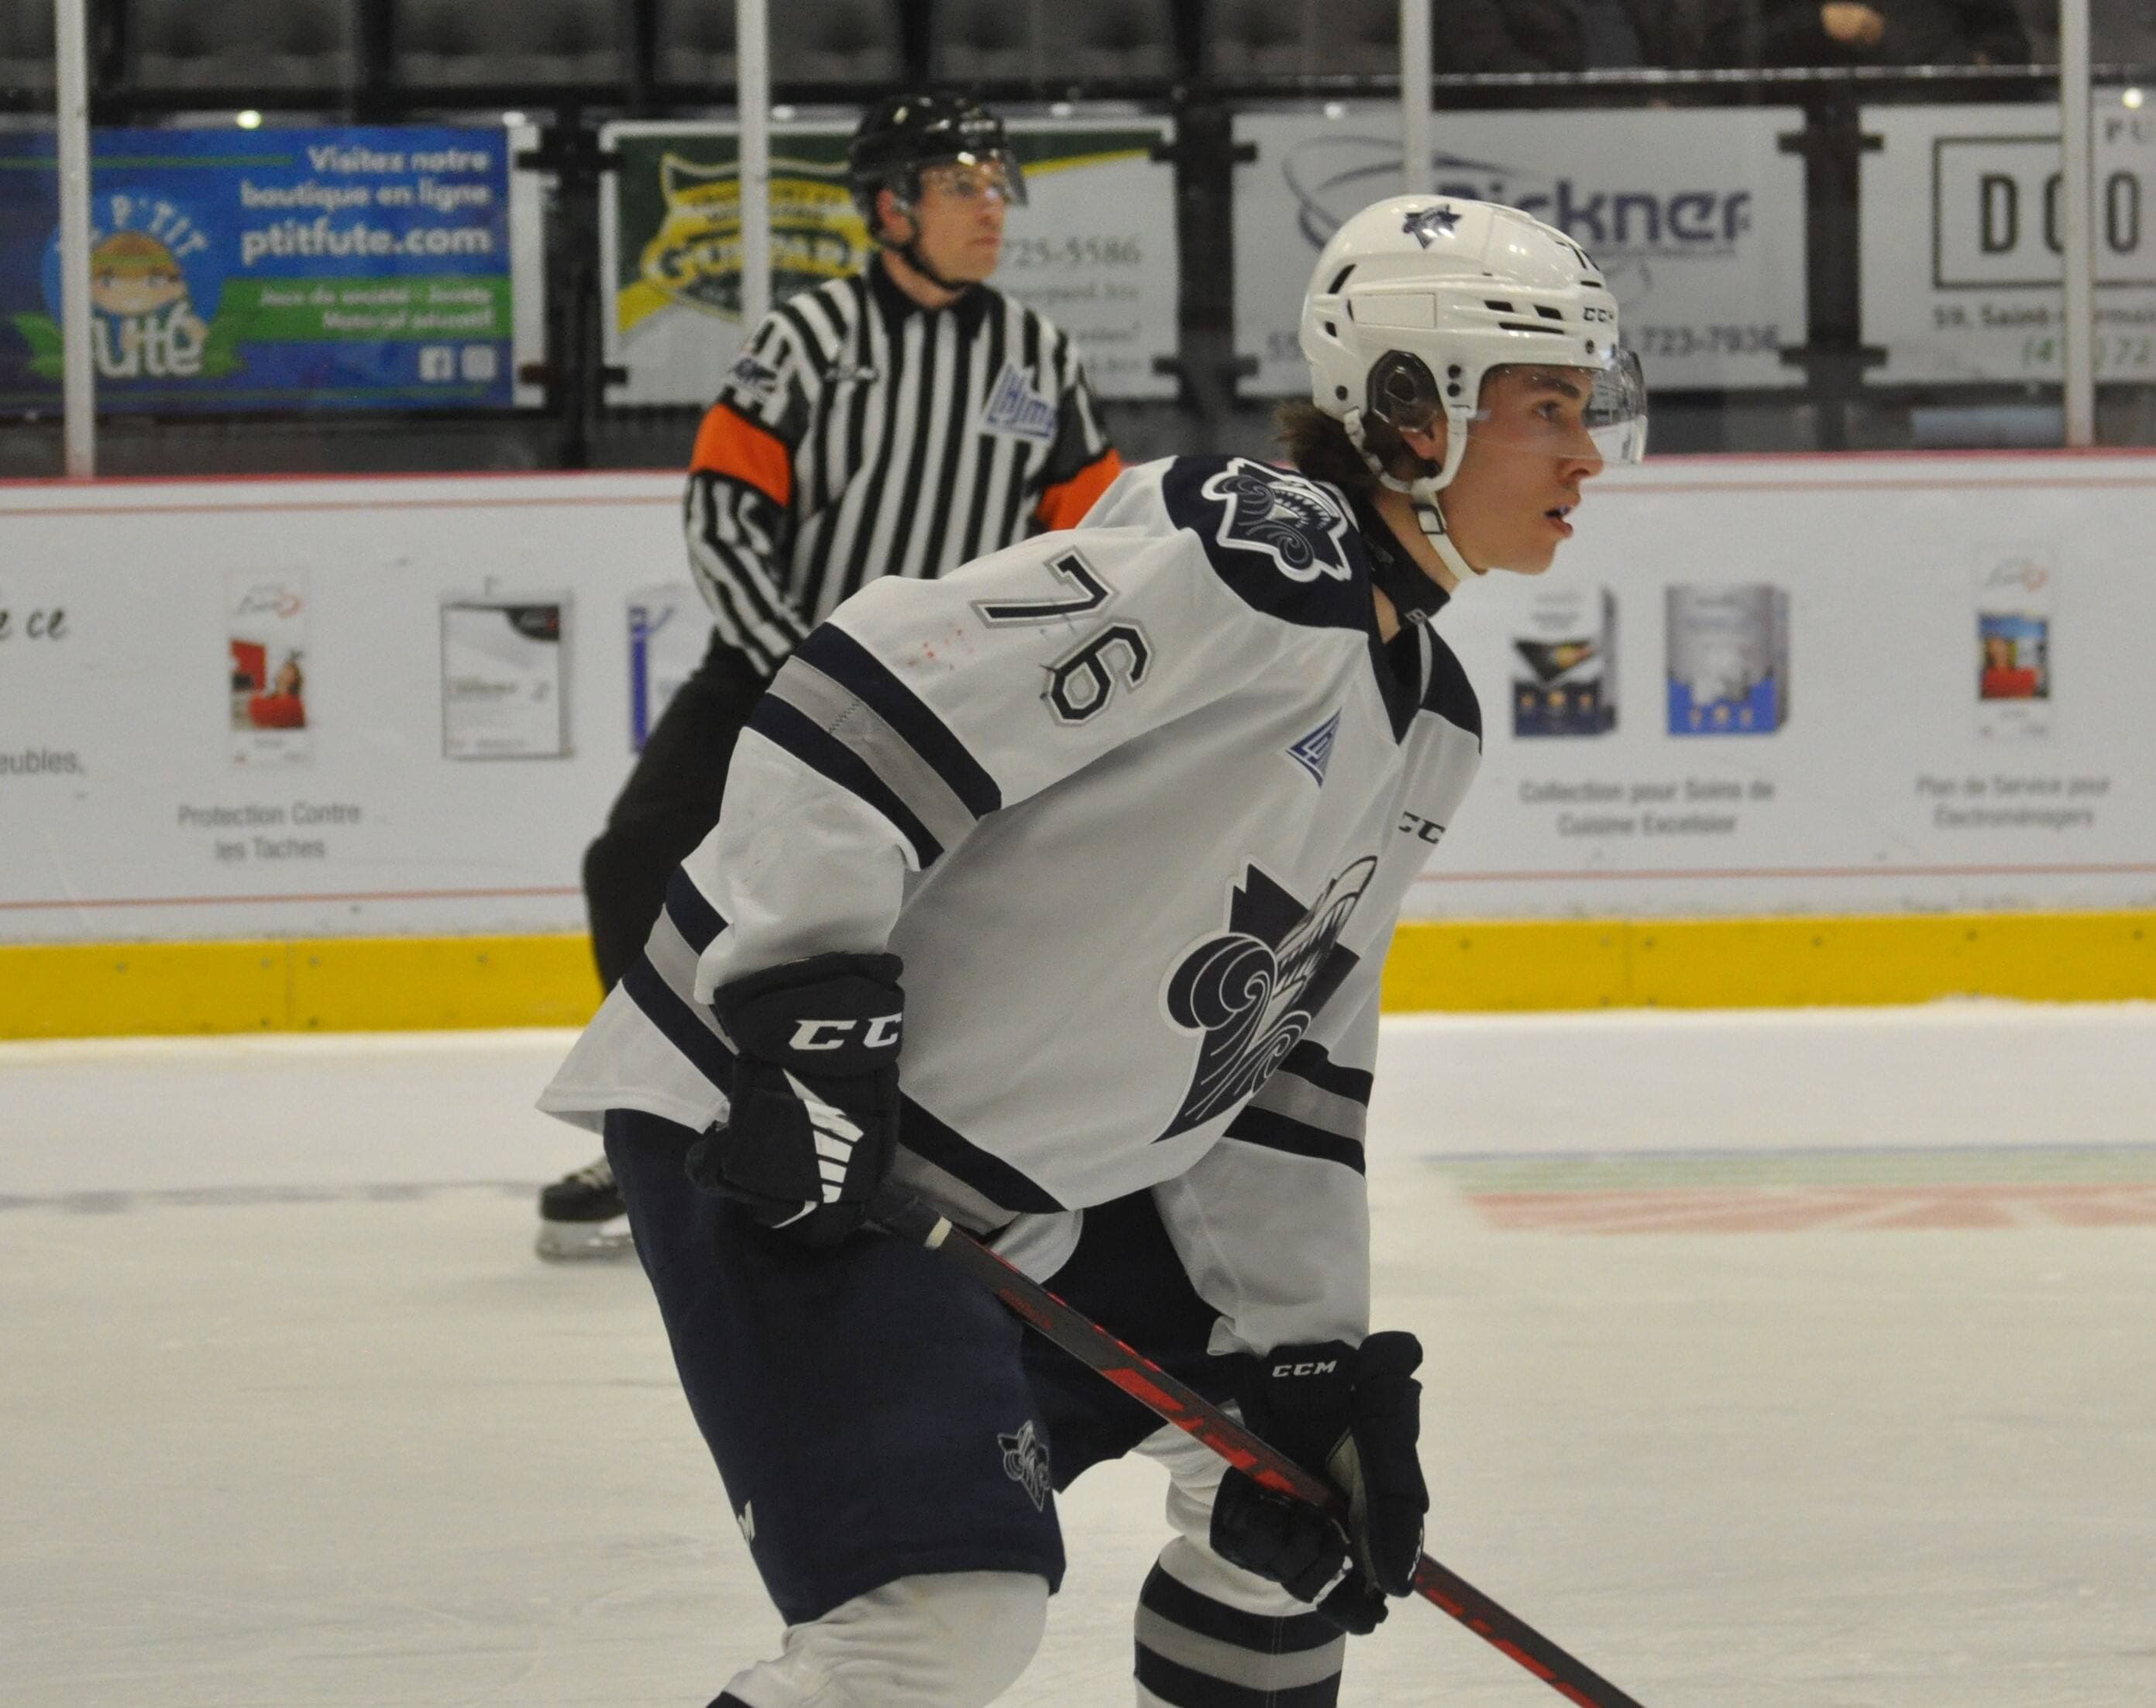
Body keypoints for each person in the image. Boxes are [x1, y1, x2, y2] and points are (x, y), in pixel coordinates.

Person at [537, 194, 1646, 1706]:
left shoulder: (1431, 721)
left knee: (1287, 1507)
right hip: (781, 1127)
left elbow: (1288, 1058)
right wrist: (809, 1000)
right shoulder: (1246, 559)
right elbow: (864, 682)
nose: (1587, 454)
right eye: (1549, 407)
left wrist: (1306, 1351)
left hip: (1001, 1194)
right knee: (937, 1626)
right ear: (1409, 403)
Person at [536, 91, 1123, 1258]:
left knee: (972, 923)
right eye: (963, 184)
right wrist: (797, 666)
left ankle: (949, 1151)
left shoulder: (1036, 356)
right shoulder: (804, 339)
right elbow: (722, 510)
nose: (990, 207)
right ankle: (654, 1119)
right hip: (773, 672)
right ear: (889, 205)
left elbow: (1088, 536)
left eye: (999, 185)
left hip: (954, 703)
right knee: (638, 861)